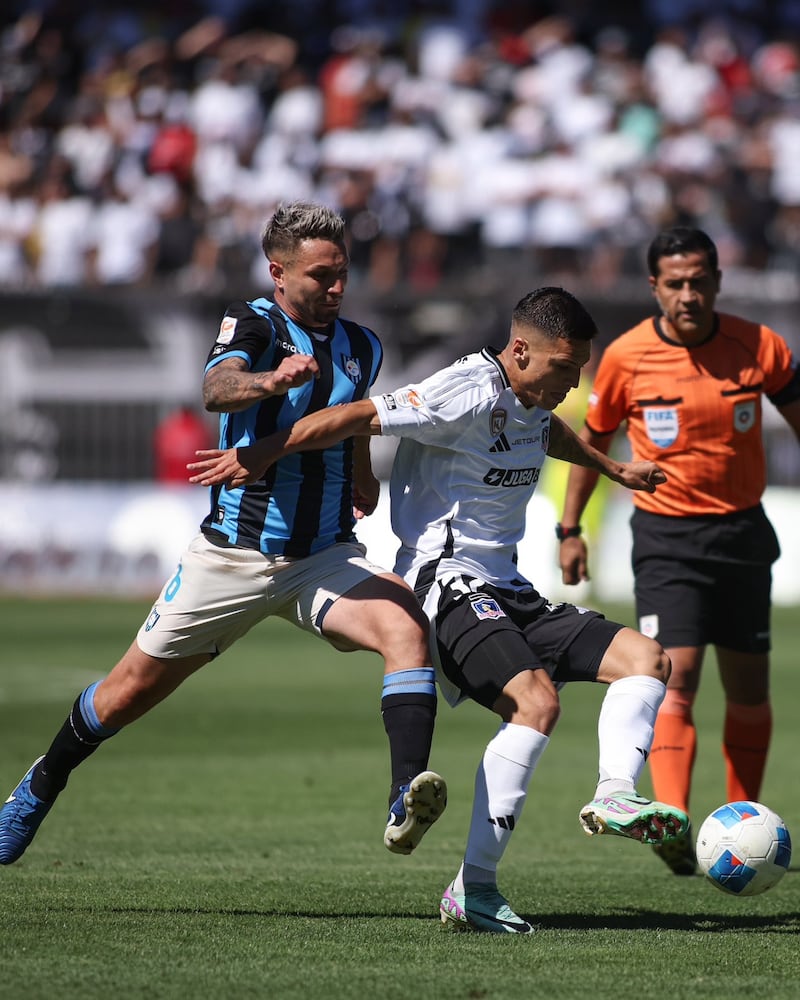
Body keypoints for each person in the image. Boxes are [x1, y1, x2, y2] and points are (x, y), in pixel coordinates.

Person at [187, 286, 690, 934]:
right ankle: (474, 889)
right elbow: (354, 417)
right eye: (565, 368)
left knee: (648, 660)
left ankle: (614, 792)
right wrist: (262, 451)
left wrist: (611, 468)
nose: (574, 382)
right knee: (536, 702)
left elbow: (546, 430)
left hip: (507, 586)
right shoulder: (464, 390)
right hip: (442, 582)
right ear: (519, 351)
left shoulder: (530, 397)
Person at [0, 201, 447, 867]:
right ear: (279, 272)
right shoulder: (257, 324)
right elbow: (216, 386)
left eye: (342, 274)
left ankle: (401, 796)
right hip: (232, 557)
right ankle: (42, 782)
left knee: (406, 629)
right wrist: (269, 380)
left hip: (322, 556)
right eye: (321, 275)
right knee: (125, 695)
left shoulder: (364, 345)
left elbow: (352, 417)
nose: (336, 288)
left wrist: (360, 475)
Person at [558, 227, 800, 877]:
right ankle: (671, 821)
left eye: (698, 281)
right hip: (667, 539)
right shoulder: (628, 357)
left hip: (744, 533)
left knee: (749, 685)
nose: (688, 294)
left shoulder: (761, 346)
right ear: (654, 287)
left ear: (717, 281)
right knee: (677, 675)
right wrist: (570, 527)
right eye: (675, 283)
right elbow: (592, 443)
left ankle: (743, 822)